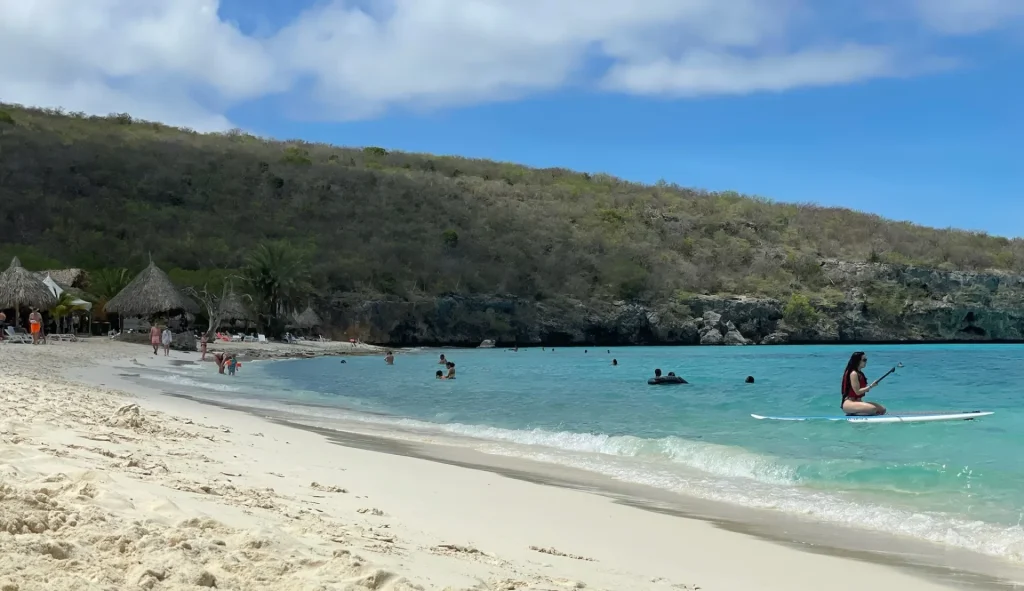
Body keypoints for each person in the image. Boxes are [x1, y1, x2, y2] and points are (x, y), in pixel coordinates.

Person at [841, 352, 886, 416]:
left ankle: (858, 412)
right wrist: (871, 386)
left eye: (866, 360)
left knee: (882, 410)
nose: (866, 362)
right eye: (864, 360)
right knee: (873, 409)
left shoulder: (860, 374)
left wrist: (868, 387)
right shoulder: (853, 374)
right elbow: (857, 392)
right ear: (858, 361)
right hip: (850, 403)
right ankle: (852, 413)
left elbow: (862, 390)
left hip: (858, 402)